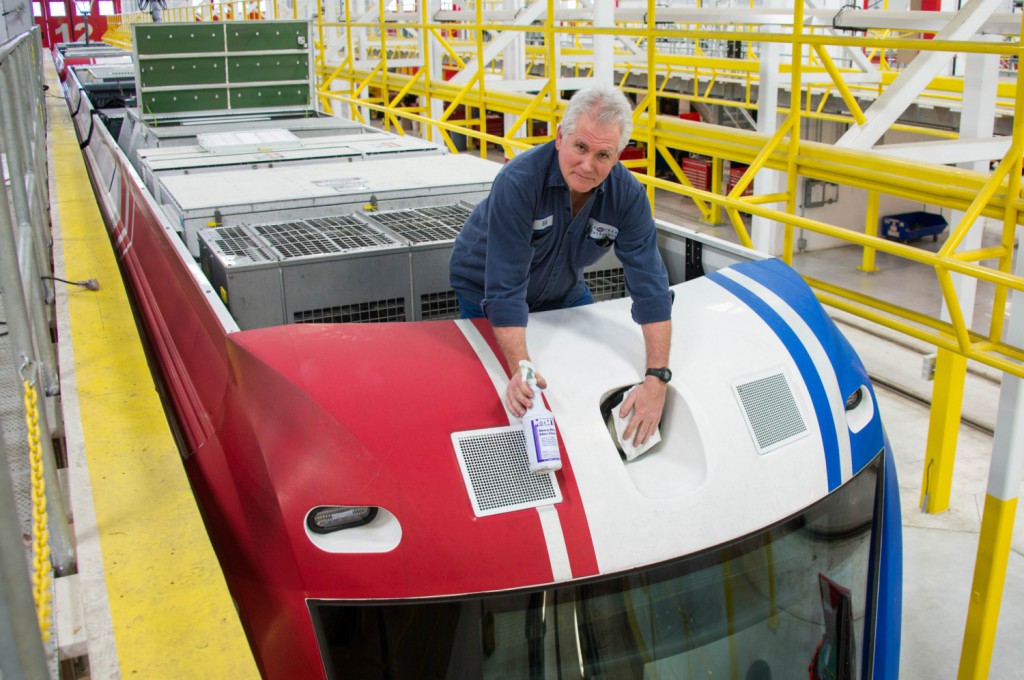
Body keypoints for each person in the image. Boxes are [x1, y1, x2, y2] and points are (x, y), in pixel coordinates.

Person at [449, 84, 673, 447]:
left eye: (603, 155)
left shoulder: (628, 197)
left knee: (584, 372)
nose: (587, 166)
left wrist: (657, 378)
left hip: (562, 287)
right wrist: (521, 370)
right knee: (504, 388)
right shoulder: (519, 182)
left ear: (617, 157)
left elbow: (652, 290)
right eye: (580, 147)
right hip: (484, 287)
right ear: (559, 138)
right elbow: (505, 292)